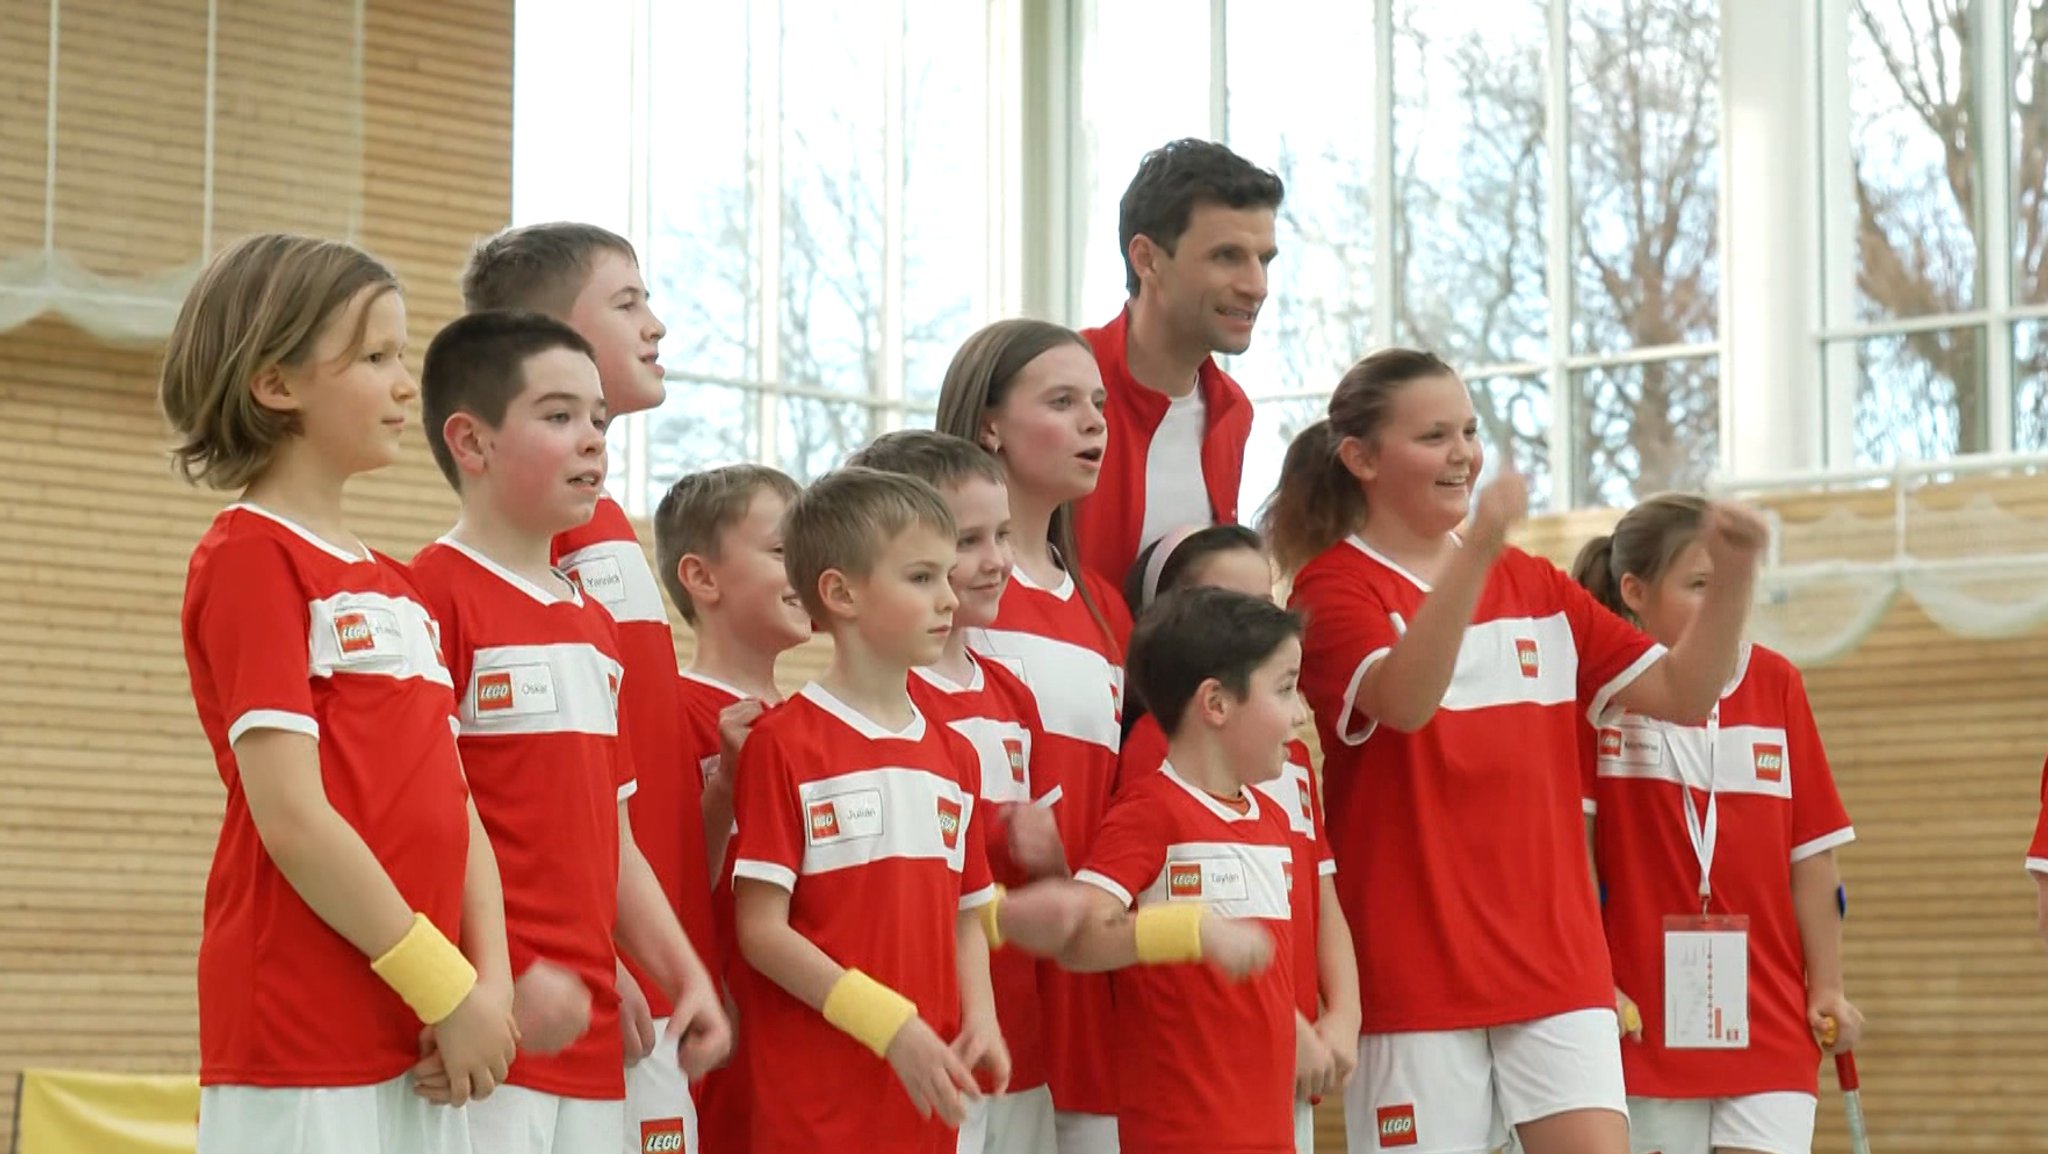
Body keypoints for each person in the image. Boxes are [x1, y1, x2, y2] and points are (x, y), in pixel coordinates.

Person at [1262, 347, 1769, 1154]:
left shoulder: (1536, 585)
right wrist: (1477, 552)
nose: (1463, 453)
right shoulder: (1333, 588)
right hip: (1417, 978)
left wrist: (1734, 580)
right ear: (1360, 458)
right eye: (1433, 436)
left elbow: (1684, 694)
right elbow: (1406, 699)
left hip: (1558, 970)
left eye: (1468, 430)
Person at [161, 233, 518, 1154]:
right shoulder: (250, 558)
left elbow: (457, 804)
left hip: (427, 1031)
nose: (408, 384)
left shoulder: (399, 589)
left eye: (403, 355)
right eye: (376, 357)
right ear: (276, 384)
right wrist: (445, 985)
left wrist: (490, 989)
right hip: (301, 1030)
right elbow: (294, 820)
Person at [406, 311, 732, 1152]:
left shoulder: (592, 625)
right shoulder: (425, 599)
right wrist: (487, 981)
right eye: (558, 417)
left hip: (590, 1038)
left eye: (596, 417)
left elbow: (612, 839)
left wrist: (682, 970)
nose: (592, 439)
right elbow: (412, 826)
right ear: (471, 443)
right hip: (489, 1033)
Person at [728, 468, 1083, 1153]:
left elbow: (966, 913)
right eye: (921, 578)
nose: (949, 598)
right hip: (815, 1112)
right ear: (840, 592)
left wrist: (980, 1013)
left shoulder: (953, 754)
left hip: (924, 1103)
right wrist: (890, 1025)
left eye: (948, 577)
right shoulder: (784, 742)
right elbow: (761, 933)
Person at [1571, 494, 1861, 1154]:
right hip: (1638, 1025)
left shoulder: (1778, 684)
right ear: (1635, 591)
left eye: (1729, 584)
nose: (1721, 602)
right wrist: (1595, 979)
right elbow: (1575, 857)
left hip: (1768, 1025)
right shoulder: (1603, 697)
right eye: (1699, 585)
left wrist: (1829, 988)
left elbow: (1813, 859)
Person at [935, 319, 1133, 1154]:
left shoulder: (1106, 609)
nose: (1095, 422)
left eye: (1098, 403)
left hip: (1082, 973)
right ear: (988, 425)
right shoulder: (943, 585)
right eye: (1062, 402)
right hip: (974, 959)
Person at [848, 430, 1074, 1154]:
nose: (997, 560)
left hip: (1017, 1035)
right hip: (924, 1039)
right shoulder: (884, 701)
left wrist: (1053, 857)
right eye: (968, 540)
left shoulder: (1012, 695)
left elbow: (1045, 871)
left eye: (1002, 534)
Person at [1117, 524, 1361, 1154]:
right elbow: (1148, 925)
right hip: (1212, 1083)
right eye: (1229, 604)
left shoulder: (1291, 762)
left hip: (1288, 1068)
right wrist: (1293, 1024)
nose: (1254, 622)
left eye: (1265, 603)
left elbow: (1321, 886)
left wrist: (1343, 1015)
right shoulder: (1154, 760)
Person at [1058, 584, 1301, 1154]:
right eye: (1287, 688)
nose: (1301, 711)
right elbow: (1078, 937)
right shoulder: (1152, 811)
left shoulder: (1273, 819)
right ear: (1215, 703)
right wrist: (1189, 930)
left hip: (1270, 1135)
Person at [648, 462, 812, 1154]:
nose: (808, 568)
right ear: (702, 578)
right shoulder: (667, 711)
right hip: (716, 1046)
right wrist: (724, 789)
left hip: (808, 1044)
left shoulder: (818, 724)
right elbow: (663, 881)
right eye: (783, 552)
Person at [1074, 139, 1283, 589]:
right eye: (1227, 256)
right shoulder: (1054, 382)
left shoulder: (1233, 410)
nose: (1257, 285)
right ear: (1146, 259)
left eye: (1264, 260)